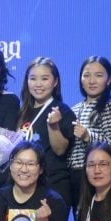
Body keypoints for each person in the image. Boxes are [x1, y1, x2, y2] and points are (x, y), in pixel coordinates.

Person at [67, 56, 111, 210]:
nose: (91, 81)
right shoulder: (73, 109)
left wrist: (89, 136)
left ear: (109, 80)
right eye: (86, 75)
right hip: (74, 176)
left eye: (98, 75)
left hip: (98, 176)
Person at [16, 57, 76, 209]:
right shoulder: (22, 112)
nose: (38, 84)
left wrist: (54, 126)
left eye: (44, 78)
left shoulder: (62, 110)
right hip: (24, 185)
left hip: (52, 185)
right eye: (33, 78)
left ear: (55, 82)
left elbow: (60, 150)